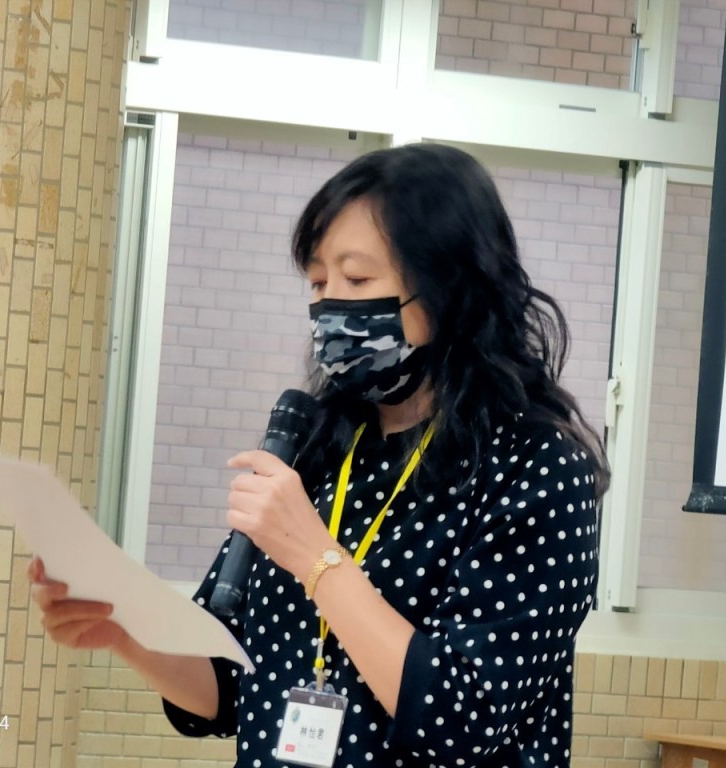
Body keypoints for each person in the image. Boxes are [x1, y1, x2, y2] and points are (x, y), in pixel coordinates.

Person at [30, 143, 609, 768]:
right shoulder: (317, 447)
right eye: (317, 282)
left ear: (451, 288)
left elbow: (461, 720)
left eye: (356, 279)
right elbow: (228, 687)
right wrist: (125, 630)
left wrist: (315, 556)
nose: (330, 305)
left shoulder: (536, 468)